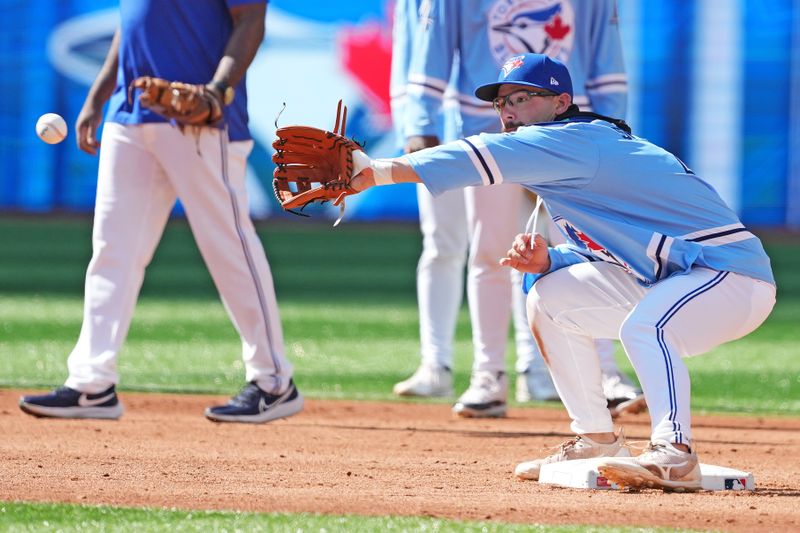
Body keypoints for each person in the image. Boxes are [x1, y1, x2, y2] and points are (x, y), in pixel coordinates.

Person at [346, 53, 776, 490]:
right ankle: (597, 438)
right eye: (500, 102)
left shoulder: (572, 141)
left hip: (732, 278)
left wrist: (376, 172)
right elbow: (624, 252)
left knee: (646, 327)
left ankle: (674, 454)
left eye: (521, 96)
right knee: (550, 297)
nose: (508, 110)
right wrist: (553, 260)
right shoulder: (567, 153)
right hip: (677, 277)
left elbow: (477, 152)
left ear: (560, 102)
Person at [19, 0, 303, 424]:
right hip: (129, 113)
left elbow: (251, 19)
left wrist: (216, 91)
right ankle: (91, 383)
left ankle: (273, 381)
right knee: (113, 250)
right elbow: (132, 24)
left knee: (229, 248)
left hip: (200, 119)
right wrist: (99, 96)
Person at [393, 0, 643, 416]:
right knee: (490, 251)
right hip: (489, 128)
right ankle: (488, 376)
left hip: (572, 131)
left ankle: (605, 373)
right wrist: (421, 122)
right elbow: (434, 49)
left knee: (588, 253)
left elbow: (607, 61)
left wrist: (610, 131)